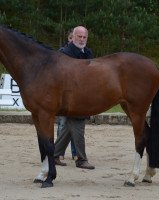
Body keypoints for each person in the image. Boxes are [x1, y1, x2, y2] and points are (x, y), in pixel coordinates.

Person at [54, 26, 95, 169]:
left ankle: (54, 155)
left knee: (68, 128)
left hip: (83, 95)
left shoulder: (88, 52)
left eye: (84, 37)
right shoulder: (65, 53)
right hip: (69, 97)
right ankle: (81, 159)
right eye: (79, 37)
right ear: (73, 36)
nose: (82, 40)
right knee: (77, 124)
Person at [57, 28, 77, 161]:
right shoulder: (61, 53)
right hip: (64, 93)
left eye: (73, 38)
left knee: (76, 125)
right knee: (62, 124)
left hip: (77, 92)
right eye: (70, 38)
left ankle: (75, 152)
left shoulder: (84, 52)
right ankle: (60, 151)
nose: (71, 40)